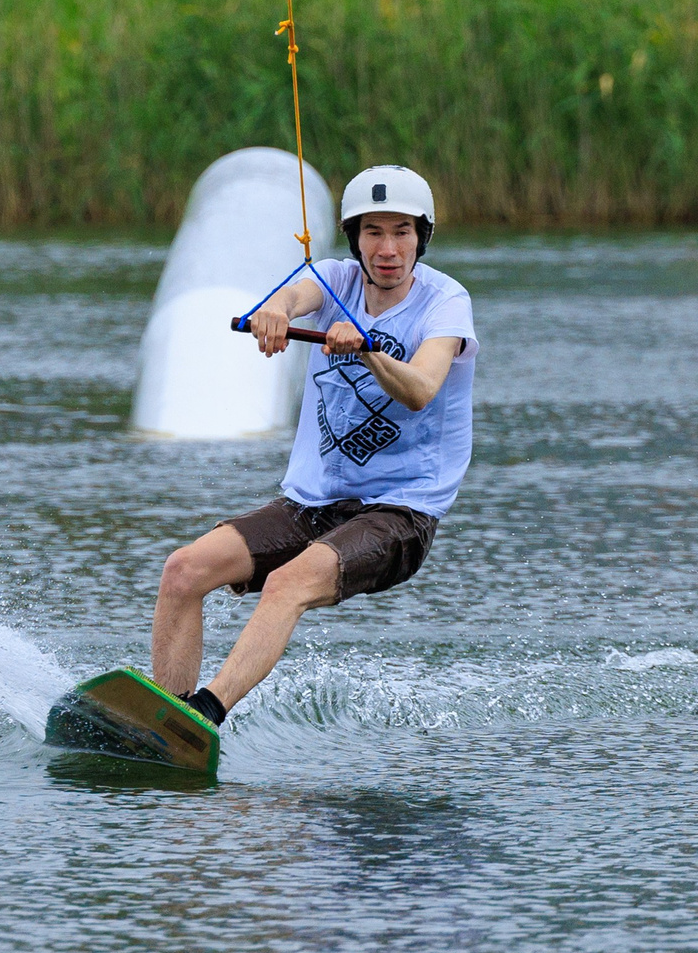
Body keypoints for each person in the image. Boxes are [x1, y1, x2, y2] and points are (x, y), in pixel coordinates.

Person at [152, 164, 477, 725]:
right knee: (183, 571)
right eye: (373, 232)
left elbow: (421, 389)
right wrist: (273, 312)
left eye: (401, 231)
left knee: (288, 583)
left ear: (421, 237)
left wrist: (369, 349)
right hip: (313, 503)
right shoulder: (332, 279)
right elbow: (291, 297)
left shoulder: (446, 303)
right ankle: (166, 721)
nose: (388, 248)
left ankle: (203, 715)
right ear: (354, 238)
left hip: (399, 512)